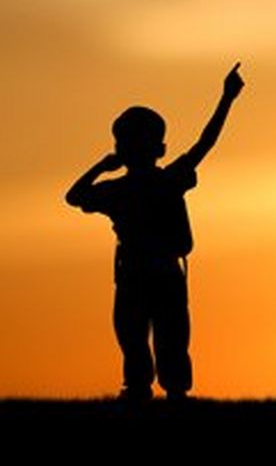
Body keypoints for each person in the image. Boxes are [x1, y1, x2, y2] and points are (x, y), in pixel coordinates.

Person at [65, 62, 245, 402]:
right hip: (150, 273)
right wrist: (227, 99)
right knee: (152, 336)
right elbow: (204, 144)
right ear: (159, 149)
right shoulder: (164, 180)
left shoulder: (128, 188)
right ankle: (160, 390)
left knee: (154, 336)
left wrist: (101, 167)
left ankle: (152, 390)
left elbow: (74, 196)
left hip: (143, 272)